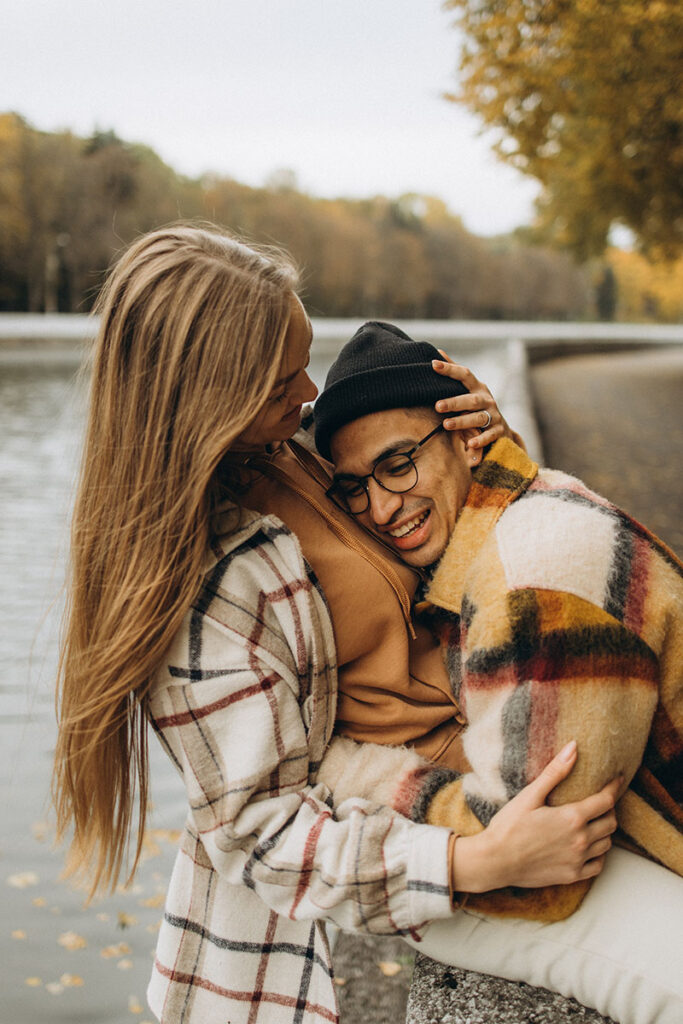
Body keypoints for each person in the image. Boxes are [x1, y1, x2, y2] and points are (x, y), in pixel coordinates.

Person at [53, 225, 619, 1024]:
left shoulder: (292, 460)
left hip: (508, 763)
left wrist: (485, 458)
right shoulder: (197, 587)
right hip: (437, 858)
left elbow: (440, 561)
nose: (311, 390)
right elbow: (259, 834)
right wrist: (476, 860)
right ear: (210, 393)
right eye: (284, 376)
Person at [311, 320, 683, 1023]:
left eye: (397, 464)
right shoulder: (521, 509)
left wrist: (335, 770)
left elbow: (532, 863)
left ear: (463, 434)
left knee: (418, 904)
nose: (381, 507)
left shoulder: (534, 586)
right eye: (353, 488)